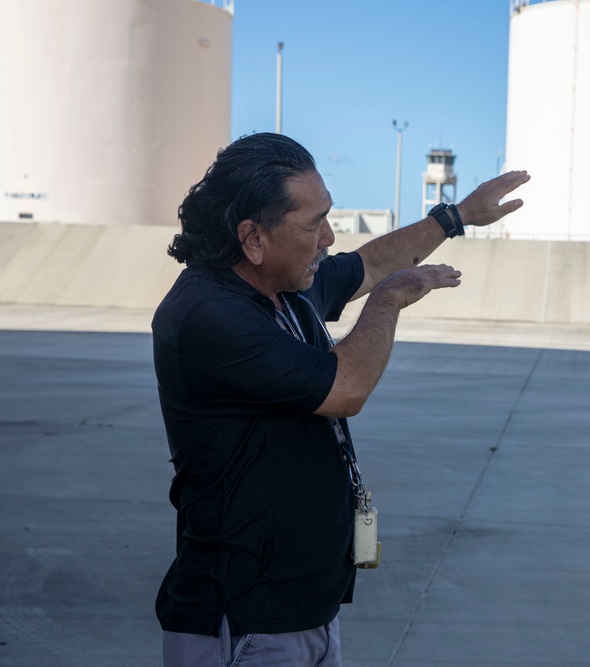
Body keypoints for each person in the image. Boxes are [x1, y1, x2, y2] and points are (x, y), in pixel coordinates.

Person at [152, 132, 529, 666]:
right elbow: (347, 386)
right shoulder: (211, 315)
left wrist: (457, 216)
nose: (329, 237)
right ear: (253, 238)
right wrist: (389, 300)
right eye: (314, 223)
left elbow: (368, 263)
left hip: (300, 610)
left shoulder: (282, 284)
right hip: (245, 618)